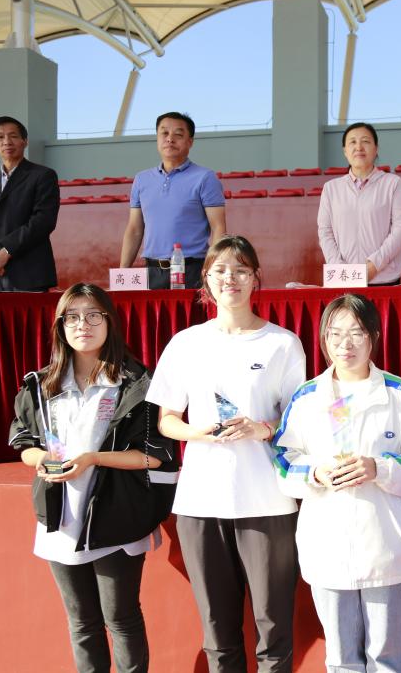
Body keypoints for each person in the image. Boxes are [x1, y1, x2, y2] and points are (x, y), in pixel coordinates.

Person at [147, 235, 305, 672]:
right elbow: (167, 421)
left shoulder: (282, 343)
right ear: (206, 280)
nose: (229, 278)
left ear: (255, 278)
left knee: (273, 628)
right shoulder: (186, 343)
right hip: (201, 502)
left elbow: (300, 420)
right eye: (219, 270)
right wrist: (196, 433)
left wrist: (262, 429)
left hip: (267, 502)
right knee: (218, 632)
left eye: (240, 270)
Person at [9, 282, 178, 672]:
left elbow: (154, 457)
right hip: (61, 517)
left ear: (109, 321)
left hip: (116, 515)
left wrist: (92, 459)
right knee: (82, 622)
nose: (82, 324)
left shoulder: (137, 384)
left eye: (92, 315)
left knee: (121, 618)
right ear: (60, 327)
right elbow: (25, 443)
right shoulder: (42, 384)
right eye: (72, 317)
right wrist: (43, 459)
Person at [273, 293, 401, 672]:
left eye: (356, 333)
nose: (344, 344)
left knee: (389, 660)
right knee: (341, 661)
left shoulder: (398, 394)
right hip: (327, 551)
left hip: (387, 551)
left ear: (374, 337)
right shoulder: (306, 398)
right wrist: (315, 473)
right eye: (335, 334)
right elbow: (283, 461)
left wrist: (379, 468)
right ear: (323, 339)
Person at [120, 112, 227, 290]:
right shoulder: (141, 179)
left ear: (190, 142)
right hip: (152, 272)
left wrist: (213, 270)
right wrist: (123, 273)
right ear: (157, 138)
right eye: (164, 133)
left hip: (193, 271)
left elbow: (218, 228)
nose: (170, 139)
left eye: (178, 134)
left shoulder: (205, 178)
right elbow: (134, 229)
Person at [0, 115, 59, 292]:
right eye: (0, 137)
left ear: (25, 141)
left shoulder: (43, 176)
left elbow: (43, 220)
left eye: (13, 136)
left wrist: (5, 252)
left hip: (29, 275)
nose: (7, 142)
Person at [318, 122, 401, 286]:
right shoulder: (331, 188)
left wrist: (374, 265)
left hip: (383, 278)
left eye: (366, 141)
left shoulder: (393, 183)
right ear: (345, 151)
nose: (359, 147)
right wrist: (340, 268)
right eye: (352, 142)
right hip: (343, 278)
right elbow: (325, 232)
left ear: (376, 149)